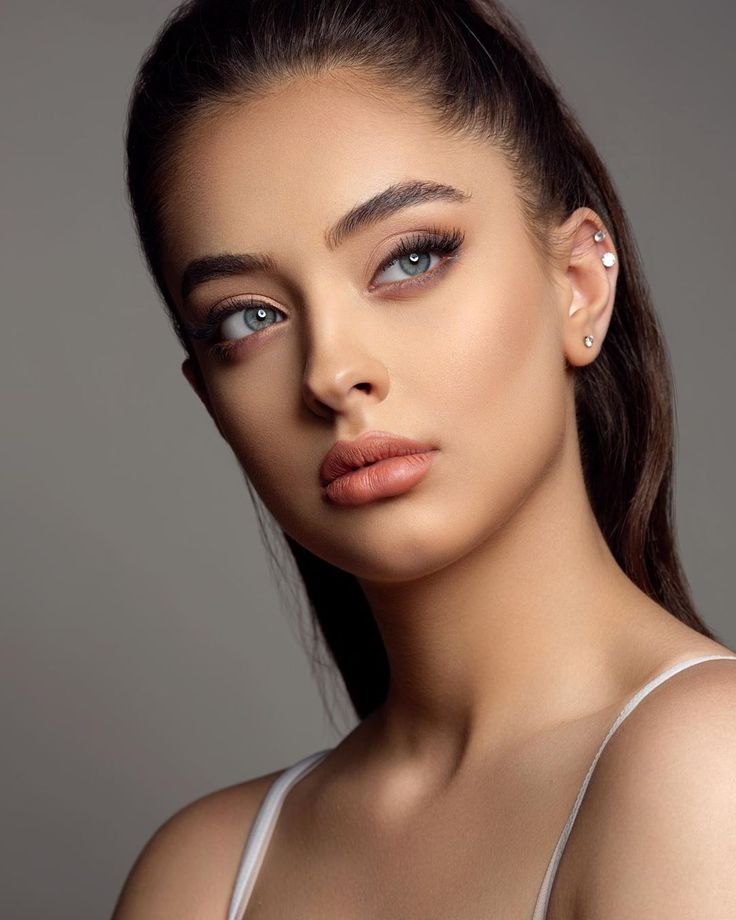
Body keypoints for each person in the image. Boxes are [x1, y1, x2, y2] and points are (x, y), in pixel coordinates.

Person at [112, 0, 736, 917]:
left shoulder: (706, 768)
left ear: (577, 283)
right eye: (248, 318)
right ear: (207, 395)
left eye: (409, 259)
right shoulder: (198, 878)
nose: (331, 371)